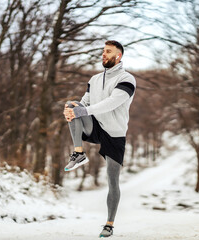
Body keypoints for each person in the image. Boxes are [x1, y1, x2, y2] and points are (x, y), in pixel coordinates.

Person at [63, 40, 136, 238]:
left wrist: (83, 110)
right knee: (72, 105)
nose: (103, 54)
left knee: (113, 180)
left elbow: (111, 103)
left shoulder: (127, 79)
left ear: (118, 56)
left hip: (114, 133)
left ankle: (109, 224)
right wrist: (73, 109)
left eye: (108, 51)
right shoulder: (94, 79)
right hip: (95, 126)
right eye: (103, 51)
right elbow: (84, 103)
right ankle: (78, 153)